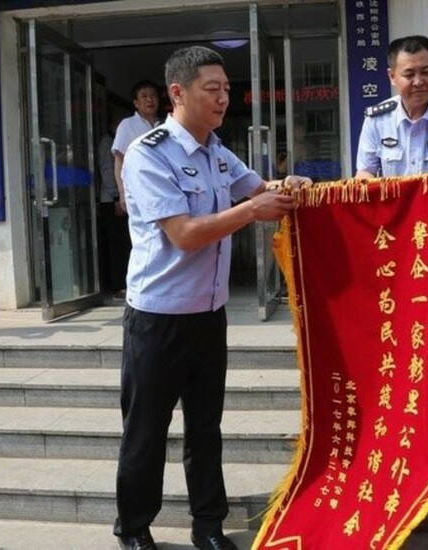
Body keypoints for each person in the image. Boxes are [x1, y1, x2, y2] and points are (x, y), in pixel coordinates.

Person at [113, 45, 310, 550]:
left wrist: (287, 185)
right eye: (212, 89)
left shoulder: (218, 151)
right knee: (146, 430)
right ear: (178, 93)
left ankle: (208, 525)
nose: (224, 98)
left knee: (205, 428)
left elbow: (257, 188)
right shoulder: (148, 153)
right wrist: (252, 211)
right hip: (157, 319)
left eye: (226, 89)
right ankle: (133, 528)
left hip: (208, 316)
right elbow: (185, 234)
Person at [354, 35, 428, 178]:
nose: (418, 82)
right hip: (395, 194)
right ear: (392, 76)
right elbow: (366, 171)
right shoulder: (376, 120)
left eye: (426, 72)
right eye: (409, 74)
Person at [112, 80, 161, 217]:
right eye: (144, 96)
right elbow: (119, 160)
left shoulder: (165, 125)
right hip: (138, 190)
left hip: (164, 189)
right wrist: (122, 193)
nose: (150, 100)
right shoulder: (127, 125)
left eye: (153, 95)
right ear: (136, 103)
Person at [97, 113, 132, 298]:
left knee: (124, 243)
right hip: (111, 200)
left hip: (118, 198)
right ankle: (118, 285)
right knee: (117, 244)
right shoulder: (107, 142)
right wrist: (116, 196)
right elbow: (107, 170)